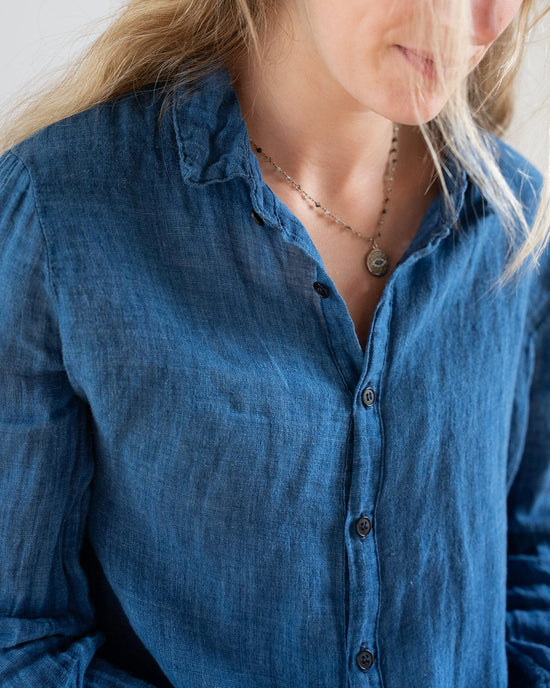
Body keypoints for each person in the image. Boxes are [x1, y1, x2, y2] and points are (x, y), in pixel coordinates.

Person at [0, 0, 549, 686]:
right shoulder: (60, 211)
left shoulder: (514, 227)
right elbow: (19, 637)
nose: (489, 22)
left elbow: (534, 571)